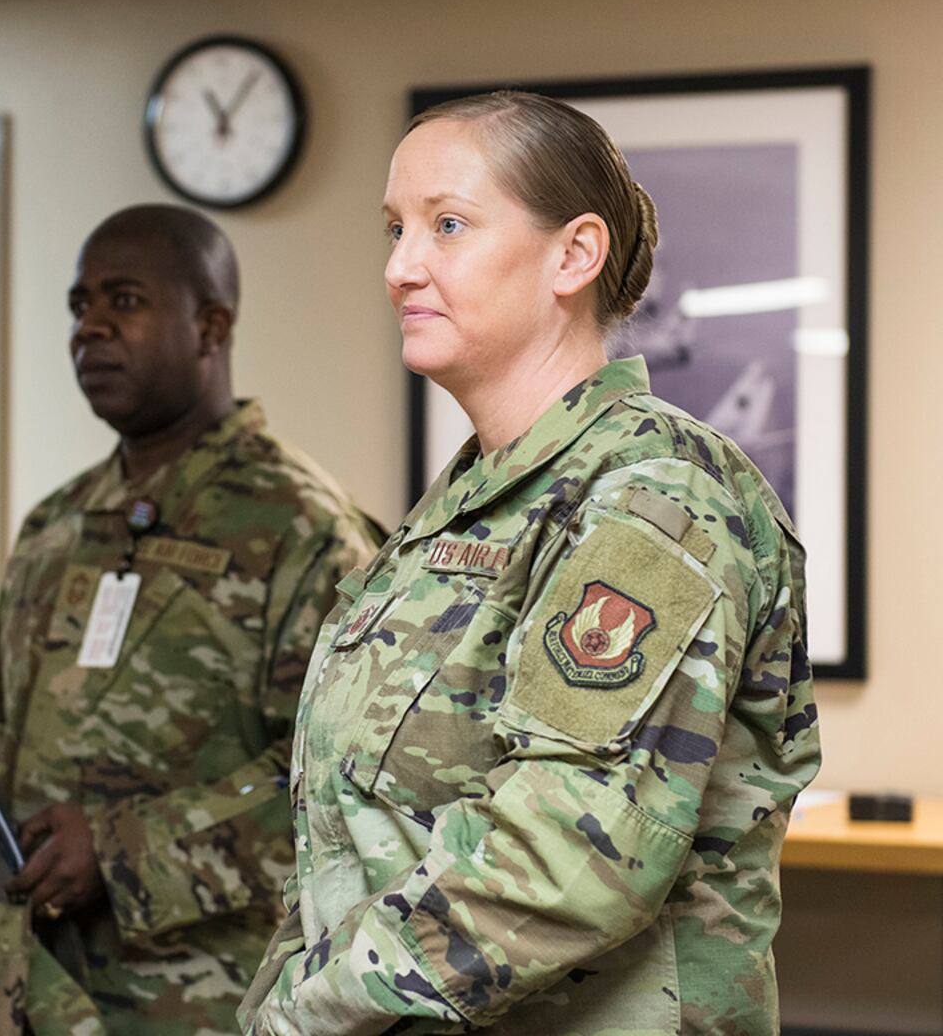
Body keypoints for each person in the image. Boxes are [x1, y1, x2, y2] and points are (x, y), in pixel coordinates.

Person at [239, 92, 820, 1035]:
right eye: (394, 229)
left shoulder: (652, 493)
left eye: (448, 225)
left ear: (573, 254)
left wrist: (304, 1018)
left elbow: (569, 857)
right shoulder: (476, 497)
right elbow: (359, 835)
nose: (399, 267)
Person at [0, 203, 382, 1035]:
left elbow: (343, 780)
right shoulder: (58, 524)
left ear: (211, 326)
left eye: (123, 301)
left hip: (184, 1002)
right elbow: (1, 718)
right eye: (78, 306)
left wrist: (126, 850)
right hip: (19, 992)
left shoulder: (302, 529)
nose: (89, 329)